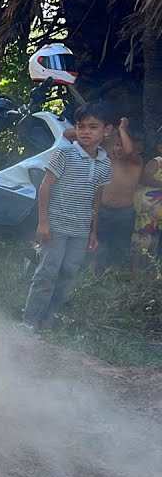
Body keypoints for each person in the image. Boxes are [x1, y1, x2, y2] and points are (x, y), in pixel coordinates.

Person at [20, 102, 112, 330]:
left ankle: (50, 320)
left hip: (80, 230)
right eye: (81, 127)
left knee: (68, 273)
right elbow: (45, 187)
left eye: (93, 127)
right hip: (56, 226)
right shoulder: (65, 153)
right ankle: (29, 323)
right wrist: (43, 222)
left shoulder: (105, 163)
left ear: (106, 131)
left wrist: (93, 231)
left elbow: (96, 198)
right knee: (47, 273)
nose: (86, 132)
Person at [65, 117, 141, 269]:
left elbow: (129, 151)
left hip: (124, 213)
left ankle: (114, 277)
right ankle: (92, 276)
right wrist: (103, 130)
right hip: (104, 210)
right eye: (117, 145)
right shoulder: (107, 156)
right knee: (96, 247)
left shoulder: (136, 161)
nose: (119, 149)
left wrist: (122, 129)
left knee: (118, 250)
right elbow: (67, 135)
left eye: (122, 145)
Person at [134, 141, 162, 258]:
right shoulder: (157, 161)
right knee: (143, 235)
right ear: (160, 148)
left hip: (158, 211)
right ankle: (136, 269)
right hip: (147, 207)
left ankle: (151, 268)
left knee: (155, 238)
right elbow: (144, 178)